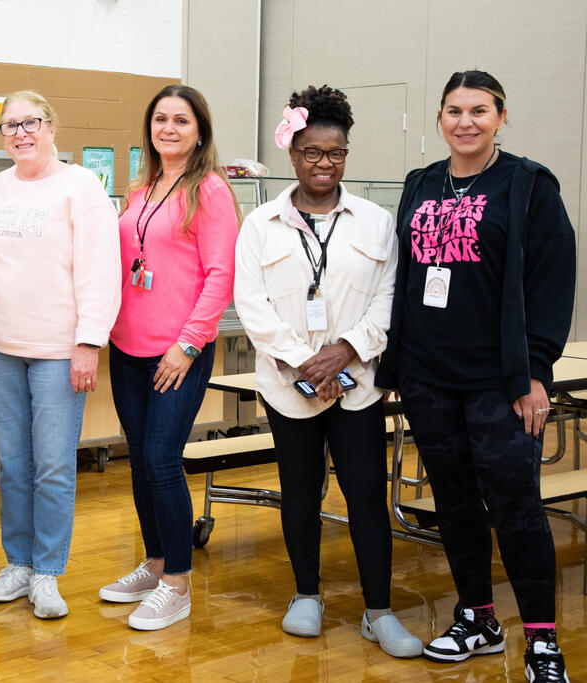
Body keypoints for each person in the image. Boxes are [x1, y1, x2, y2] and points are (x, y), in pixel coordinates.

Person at [376, 70, 575, 681]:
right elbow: (405, 278)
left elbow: (552, 281)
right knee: (455, 503)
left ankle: (541, 640)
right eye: (454, 111)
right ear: (440, 118)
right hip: (428, 377)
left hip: (500, 380)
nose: (466, 122)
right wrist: (398, 364)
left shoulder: (528, 184)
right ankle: (478, 619)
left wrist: (535, 371)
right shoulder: (420, 183)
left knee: (516, 507)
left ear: (501, 117)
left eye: (479, 110)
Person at [233, 85, 424, 658]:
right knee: (299, 490)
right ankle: (306, 595)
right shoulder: (261, 224)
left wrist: (345, 350)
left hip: (357, 383)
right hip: (287, 384)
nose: (325, 163)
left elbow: (390, 297)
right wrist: (303, 360)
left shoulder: (374, 222)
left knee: (365, 493)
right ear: (293, 153)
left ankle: (378, 610)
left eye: (336, 152)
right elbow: (252, 304)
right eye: (313, 152)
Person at [97, 85, 239, 631]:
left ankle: (177, 583)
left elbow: (221, 275)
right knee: (140, 460)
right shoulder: (143, 187)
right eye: (161, 119)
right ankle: (155, 563)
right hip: (127, 346)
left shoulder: (210, 190)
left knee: (161, 460)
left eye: (181, 120)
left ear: (199, 131)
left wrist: (188, 345)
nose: (169, 129)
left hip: (178, 350)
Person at [0, 90, 121, 618]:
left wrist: (88, 341)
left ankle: (47, 573)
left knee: (53, 467)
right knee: (14, 466)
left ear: (52, 127)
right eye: (10, 125)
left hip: (59, 350)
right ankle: (18, 564)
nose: (20, 133)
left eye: (30, 122)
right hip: (0, 346)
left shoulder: (81, 186)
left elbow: (100, 267)